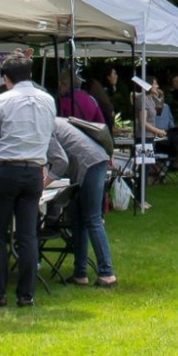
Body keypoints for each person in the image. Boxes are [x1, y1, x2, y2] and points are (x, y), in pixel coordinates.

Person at [0, 54, 57, 308]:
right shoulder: (48, 100)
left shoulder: (1, 100)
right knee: (27, 236)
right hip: (34, 170)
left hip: (6, 169)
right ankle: (26, 294)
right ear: (30, 74)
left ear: (6, 78)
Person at [57, 111, 117, 288]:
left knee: (92, 219)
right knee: (77, 219)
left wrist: (44, 183)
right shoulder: (56, 121)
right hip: (90, 163)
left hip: (92, 164)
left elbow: (59, 162)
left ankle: (107, 274)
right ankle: (80, 274)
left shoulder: (46, 126)